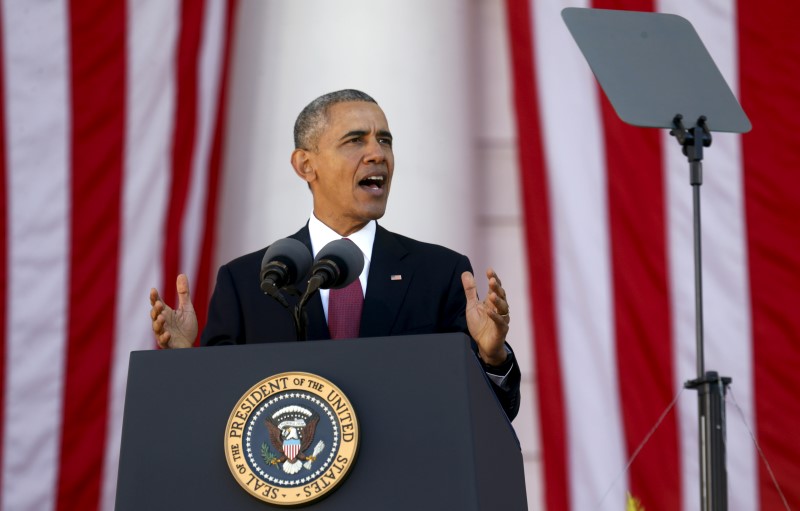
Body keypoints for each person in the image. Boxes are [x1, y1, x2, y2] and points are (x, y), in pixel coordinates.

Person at [150, 89, 520, 420]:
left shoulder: (441, 273)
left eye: (385, 141)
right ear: (305, 165)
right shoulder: (249, 281)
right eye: (355, 140)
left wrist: (492, 357)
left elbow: (489, 418)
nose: (378, 154)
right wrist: (187, 362)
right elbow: (221, 416)